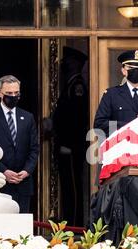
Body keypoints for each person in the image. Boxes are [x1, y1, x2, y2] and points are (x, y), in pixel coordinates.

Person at [0, 75, 40, 213]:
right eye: (9, 93)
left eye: (16, 93)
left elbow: (34, 149)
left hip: (23, 183)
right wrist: (4, 171)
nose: (13, 96)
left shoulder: (28, 117)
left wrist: (26, 171)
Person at [53, 46, 89, 226]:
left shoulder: (77, 85)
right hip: (69, 146)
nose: (63, 64)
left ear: (75, 64)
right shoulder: (70, 84)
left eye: (67, 61)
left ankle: (74, 224)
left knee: (73, 187)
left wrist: (69, 144)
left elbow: (77, 117)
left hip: (72, 148)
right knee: (68, 185)